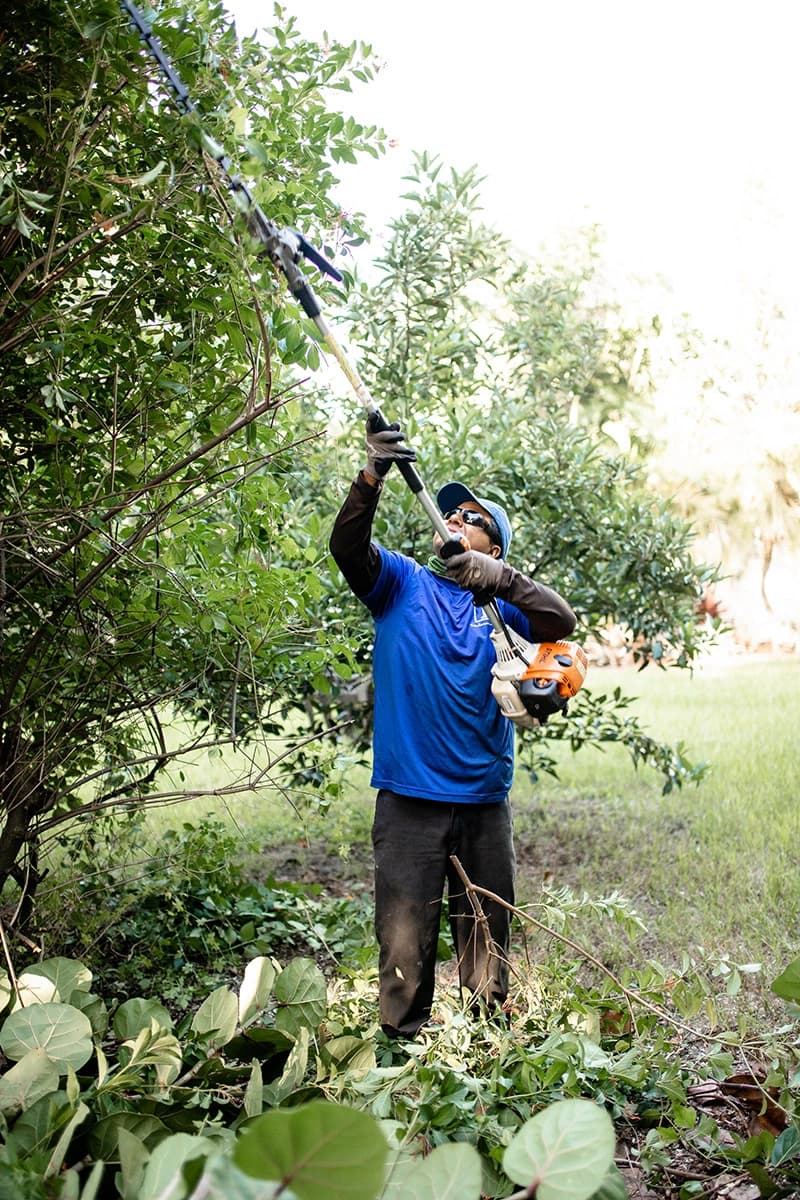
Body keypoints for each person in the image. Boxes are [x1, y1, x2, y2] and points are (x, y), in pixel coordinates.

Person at [329, 419, 576, 1038]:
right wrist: (372, 475)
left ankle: (487, 1052)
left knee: (487, 942)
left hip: (484, 803)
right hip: (409, 799)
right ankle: (401, 1054)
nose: (457, 521)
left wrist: (499, 580)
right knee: (404, 949)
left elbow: (561, 619)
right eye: (454, 514)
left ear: (492, 549)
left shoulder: (502, 605)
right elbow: (346, 549)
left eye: (473, 519)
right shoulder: (401, 584)